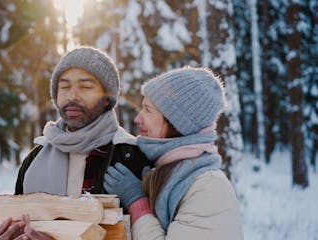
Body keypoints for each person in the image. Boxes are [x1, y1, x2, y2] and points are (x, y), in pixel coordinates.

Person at [0, 46, 151, 240]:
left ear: (107, 99)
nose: (72, 96)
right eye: (64, 87)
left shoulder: (130, 157)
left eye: (85, 87)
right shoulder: (35, 158)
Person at [104, 66, 244, 239]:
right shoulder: (165, 172)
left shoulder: (208, 187)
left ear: (176, 123)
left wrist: (137, 202)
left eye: (148, 109)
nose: (137, 118)